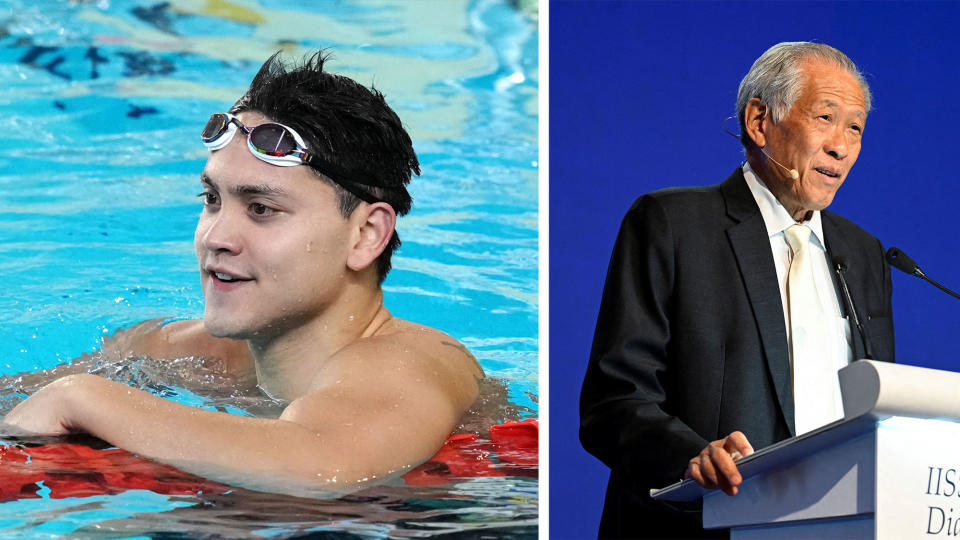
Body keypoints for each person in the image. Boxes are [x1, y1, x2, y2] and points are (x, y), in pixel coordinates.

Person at [1, 51, 484, 497]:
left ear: (365, 235)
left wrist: (81, 398)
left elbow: (325, 466)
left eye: (261, 208)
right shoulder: (189, 354)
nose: (216, 237)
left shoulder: (414, 362)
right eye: (212, 200)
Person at [579, 42, 895, 538]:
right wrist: (689, 456)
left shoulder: (865, 254)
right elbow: (613, 402)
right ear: (758, 121)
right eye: (826, 117)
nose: (842, 145)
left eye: (854, 127)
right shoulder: (672, 224)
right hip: (702, 522)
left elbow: (876, 407)